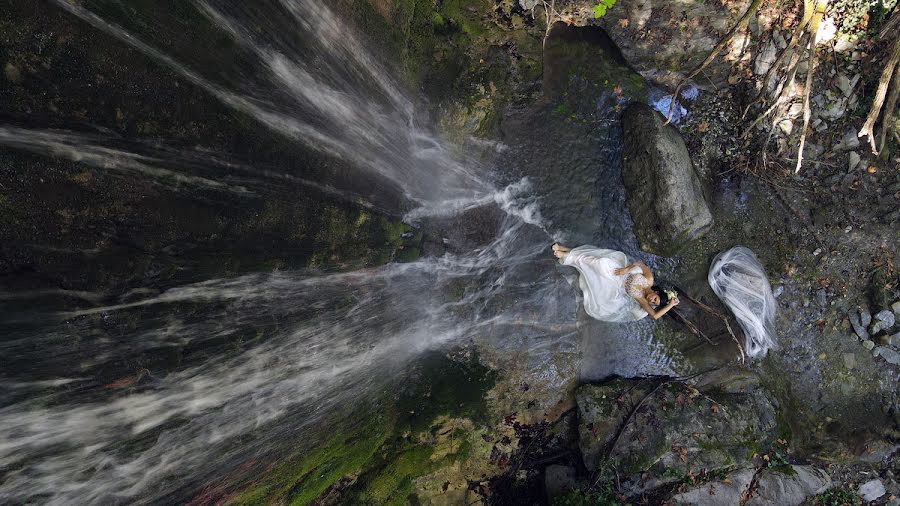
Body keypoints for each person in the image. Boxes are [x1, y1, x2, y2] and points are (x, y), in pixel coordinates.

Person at [552, 243, 679, 321]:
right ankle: (566, 253)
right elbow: (640, 263)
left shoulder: (643, 300)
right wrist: (626, 269)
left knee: (593, 273)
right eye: (655, 299)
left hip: (615, 285)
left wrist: (670, 305)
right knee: (598, 262)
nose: (651, 301)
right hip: (619, 271)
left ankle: (567, 254)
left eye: (653, 303)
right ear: (656, 292)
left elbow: (655, 316)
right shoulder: (649, 279)